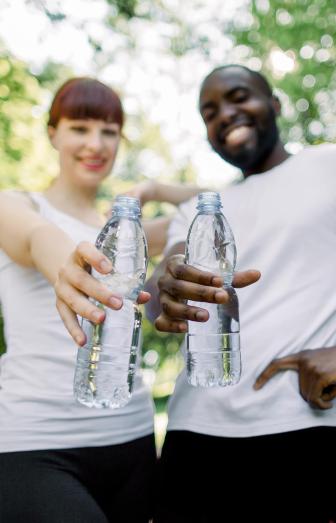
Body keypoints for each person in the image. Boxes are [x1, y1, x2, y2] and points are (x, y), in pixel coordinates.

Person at [141, 65, 336, 523]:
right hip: (192, 437)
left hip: (302, 434)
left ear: (274, 105)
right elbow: (160, 296)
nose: (226, 115)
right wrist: (169, 287)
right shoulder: (202, 209)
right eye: (210, 112)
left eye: (240, 97)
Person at [0, 77, 203, 523]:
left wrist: (152, 190)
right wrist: (69, 268)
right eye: (80, 128)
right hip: (36, 445)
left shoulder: (131, 233)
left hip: (129, 440)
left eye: (109, 131)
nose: (96, 144)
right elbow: (39, 240)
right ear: (52, 132)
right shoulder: (15, 206)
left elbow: (215, 202)